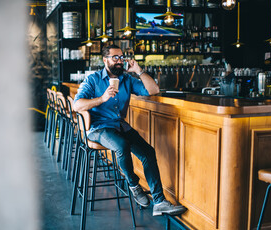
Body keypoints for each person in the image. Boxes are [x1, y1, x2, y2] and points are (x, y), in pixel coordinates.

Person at [73, 44, 186, 216]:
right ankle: (134, 185)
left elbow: (153, 90)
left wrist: (138, 71)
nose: (119, 61)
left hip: (119, 125)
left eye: (121, 57)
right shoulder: (93, 79)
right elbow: (76, 105)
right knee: (122, 145)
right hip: (98, 128)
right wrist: (102, 98)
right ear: (105, 60)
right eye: (115, 58)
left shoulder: (126, 79)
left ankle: (159, 202)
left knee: (148, 152)